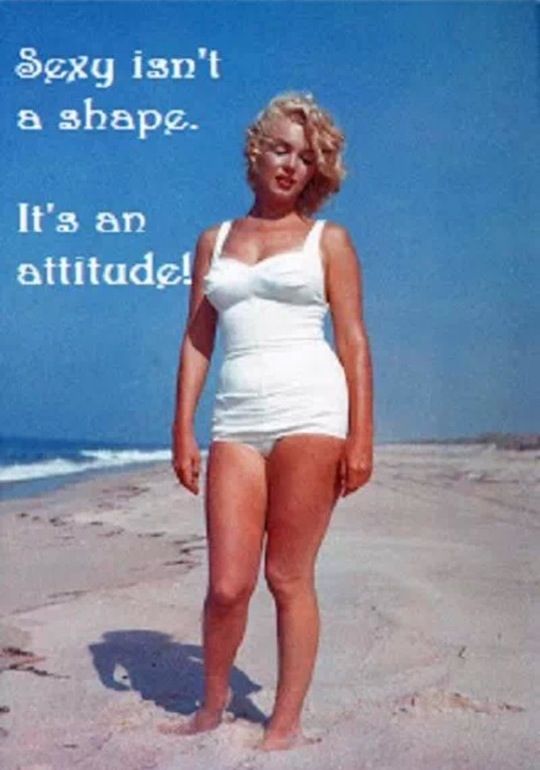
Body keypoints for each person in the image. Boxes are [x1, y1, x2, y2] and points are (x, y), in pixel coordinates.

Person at [167, 92, 373, 751]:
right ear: (256, 151)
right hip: (236, 419)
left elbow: (354, 342)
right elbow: (198, 338)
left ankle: (283, 722)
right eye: (281, 149)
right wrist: (182, 429)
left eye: (307, 158)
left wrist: (362, 437)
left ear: (319, 172)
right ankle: (213, 700)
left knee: (288, 576)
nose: (291, 165)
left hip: (312, 411)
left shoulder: (328, 242)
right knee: (228, 585)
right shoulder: (215, 241)